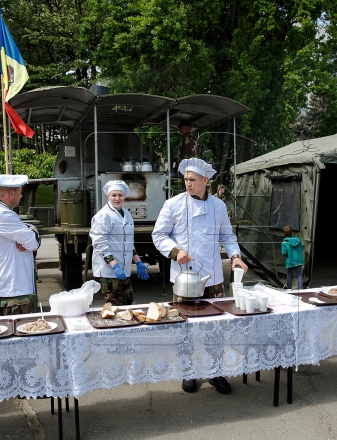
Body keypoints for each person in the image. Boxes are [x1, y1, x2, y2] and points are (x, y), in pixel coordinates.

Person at [153, 157, 248, 395]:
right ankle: (188, 372)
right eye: (185, 179)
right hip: (184, 281)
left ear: (206, 181)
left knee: (215, 328)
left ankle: (216, 372)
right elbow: (159, 235)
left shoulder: (218, 206)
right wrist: (175, 251)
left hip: (213, 278)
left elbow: (227, 236)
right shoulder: (173, 204)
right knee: (185, 329)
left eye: (192, 180)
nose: (187, 183)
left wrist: (235, 256)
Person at [0, 173, 41, 316]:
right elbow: (32, 243)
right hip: (14, 291)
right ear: (11, 193)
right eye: (20, 193)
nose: (21, 196)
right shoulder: (2, 214)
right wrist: (32, 231)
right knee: (21, 333)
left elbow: (27, 237)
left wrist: (29, 231)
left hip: (11, 287)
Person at [90, 180, 150, 305]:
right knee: (114, 307)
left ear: (124, 196)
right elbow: (100, 244)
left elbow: (128, 241)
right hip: (110, 271)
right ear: (108, 196)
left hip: (125, 269)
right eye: (114, 195)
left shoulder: (127, 215)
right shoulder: (103, 215)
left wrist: (138, 261)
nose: (117, 198)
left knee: (128, 303)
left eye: (120, 195)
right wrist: (114, 266)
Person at [281, 225, 303, 289]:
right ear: (292, 232)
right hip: (298, 260)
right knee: (299, 275)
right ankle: (301, 290)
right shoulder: (298, 240)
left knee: (289, 275)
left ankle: (289, 289)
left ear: (283, 234)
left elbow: (284, 253)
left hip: (290, 261)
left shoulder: (284, 243)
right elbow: (301, 249)